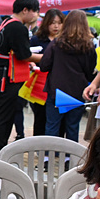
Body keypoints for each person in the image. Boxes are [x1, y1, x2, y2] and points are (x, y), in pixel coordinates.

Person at [0, 0, 42, 158]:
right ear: (25, 10)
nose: (36, 15)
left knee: (3, 113)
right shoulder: (18, 27)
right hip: (5, 76)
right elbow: (24, 55)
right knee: (4, 115)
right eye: (35, 11)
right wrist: (45, 58)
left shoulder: (5, 22)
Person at [40, 10, 98, 141]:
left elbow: (44, 65)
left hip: (56, 91)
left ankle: (49, 151)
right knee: (72, 127)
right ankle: (70, 153)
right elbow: (90, 72)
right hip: (77, 92)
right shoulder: (89, 46)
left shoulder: (56, 43)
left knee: (52, 126)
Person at [26, 8, 63, 137]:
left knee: (57, 118)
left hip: (58, 84)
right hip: (39, 83)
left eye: (59, 23)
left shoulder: (64, 40)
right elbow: (28, 56)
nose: (56, 26)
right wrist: (32, 64)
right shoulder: (37, 39)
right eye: (53, 23)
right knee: (40, 116)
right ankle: (38, 142)